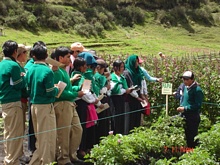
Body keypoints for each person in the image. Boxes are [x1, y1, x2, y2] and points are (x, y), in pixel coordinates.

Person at [25, 44, 59, 165]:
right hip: (45, 106)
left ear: (33, 56)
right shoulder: (47, 71)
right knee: (47, 137)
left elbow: (27, 89)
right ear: (46, 55)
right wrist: (57, 89)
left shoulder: (30, 70)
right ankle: (47, 162)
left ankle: (35, 161)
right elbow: (50, 92)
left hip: (34, 105)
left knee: (40, 137)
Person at [52, 46, 84, 165]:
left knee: (77, 129)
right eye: (67, 57)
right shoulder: (57, 72)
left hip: (69, 103)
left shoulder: (63, 71)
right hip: (62, 104)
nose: (69, 59)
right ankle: (63, 158)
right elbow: (59, 93)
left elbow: (67, 88)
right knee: (63, 132)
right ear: (60, 58)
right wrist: (76, 93)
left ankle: (72, 155)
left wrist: (76, 89)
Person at [0, 40, 26, 165]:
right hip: (13, 101)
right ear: (15, 52)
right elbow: (18, 85)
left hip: (4, 101)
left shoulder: (1, 64)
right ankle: (12, 161)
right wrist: (23, 77)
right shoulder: (14, 66)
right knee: (15, 133)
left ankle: (9, 157)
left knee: (8, 132)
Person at [177, 71, 204, 148]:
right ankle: (188, 153)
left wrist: (185, 108)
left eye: (186, 79)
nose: (184, 81)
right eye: (183, 79)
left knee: (192, 137)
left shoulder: (197, 90)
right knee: (187, 136)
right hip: (184, 115)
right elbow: (185, 100)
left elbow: (197, 105)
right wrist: (182, 107)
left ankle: (193, 153)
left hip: (192, 117)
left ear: (192, 80)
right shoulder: (185, 88)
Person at [123, 55, 144, 133]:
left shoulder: (137, 71)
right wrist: (137, 97)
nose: (137, 63)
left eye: (137, 61)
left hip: (137, 96)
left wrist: (141, 95)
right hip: (130, 98)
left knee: (136, 118)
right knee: (130, 119)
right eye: (135, 62)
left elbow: (141, 83)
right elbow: (129, 86)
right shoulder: (127, 73)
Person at [110, 60, 132, 134]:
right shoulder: (112, 77)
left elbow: (124, 88)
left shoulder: (122, 77)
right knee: (116, 117)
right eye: (121, 67)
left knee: (122, 117)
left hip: (121, 98)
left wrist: (127, 90)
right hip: (114, 99)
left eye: (123, 67)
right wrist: (125, 90)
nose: (123, 69)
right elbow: (116, 90)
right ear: (116, 68)